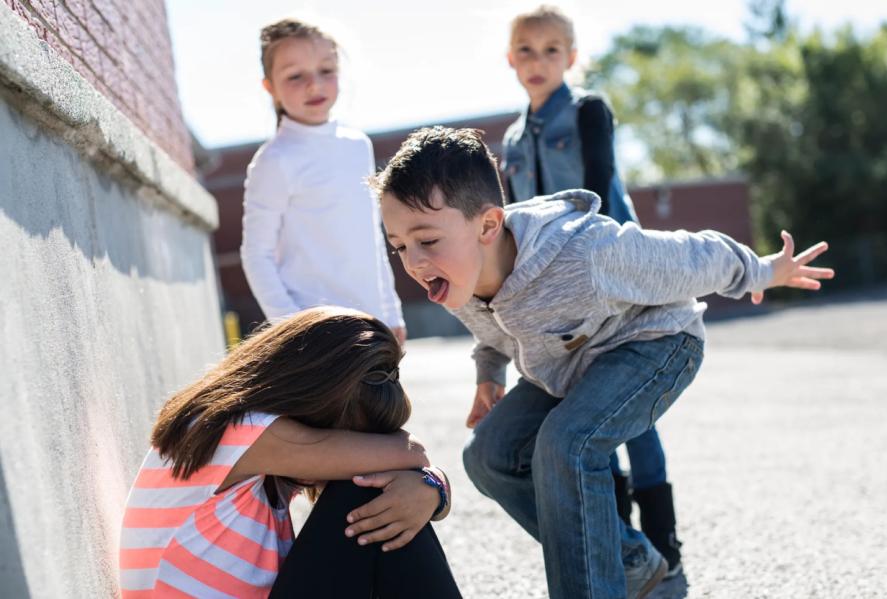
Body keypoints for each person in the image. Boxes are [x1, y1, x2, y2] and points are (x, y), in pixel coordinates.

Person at [374, 126, 833, 599]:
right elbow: (492, 332)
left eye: (426, 240)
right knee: (488, 456)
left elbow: (694, 255)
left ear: (488, 226)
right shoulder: (456, 273)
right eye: (399, 245)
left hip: (656, 344)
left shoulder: (586, 253)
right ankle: (629, 560)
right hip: (570, 365)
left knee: (566, 443)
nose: (413, 261)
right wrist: (488, 376)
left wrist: (762, 270)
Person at [500, 5, 681, 574]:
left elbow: (600, 191)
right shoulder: (510, 138)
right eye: (526, 50)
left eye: (552, 50)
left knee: (634, 415)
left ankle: (664, 544)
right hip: (555, 297)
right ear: (511, 59)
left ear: (571, 58)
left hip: (615, 280)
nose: (538, 61)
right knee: (585, 411)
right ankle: (625, 546)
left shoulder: (587, 111)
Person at [119, 306, 462, 598]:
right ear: (311, 397)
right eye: (346, 439)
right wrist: (432, 485)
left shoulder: (259, 452)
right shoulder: (237, 429)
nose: (353, 452)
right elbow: (411, 452)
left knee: (383, 496)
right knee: (363, 489)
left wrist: (431, 489)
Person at [241, 18, 406, 344]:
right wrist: (293, 327)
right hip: (316, 336)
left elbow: (372, 238)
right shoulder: (274, 160)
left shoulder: (358, 145)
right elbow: (255, 254)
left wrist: (391, 311)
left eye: (326, 70)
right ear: (270, 87)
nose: (314, 85)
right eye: (295, 76)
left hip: (373, 324)